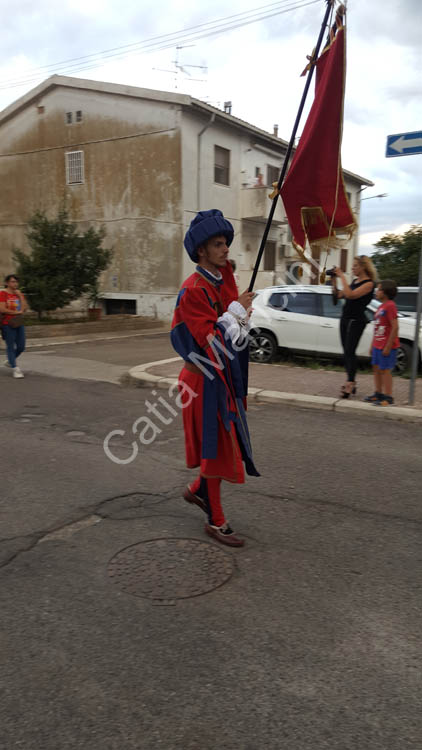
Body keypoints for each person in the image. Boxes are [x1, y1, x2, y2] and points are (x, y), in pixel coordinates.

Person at [171, 209, 259, 547]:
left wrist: (241, 315)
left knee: (222, 446)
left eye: (226, 243)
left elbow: (233, 339)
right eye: (218, 244)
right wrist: (235, 312)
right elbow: (211, 342)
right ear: (202, 251)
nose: (226, 249)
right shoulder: (193, 289)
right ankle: (215, 519)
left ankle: (198, 490)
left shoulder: (223, 280)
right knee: (216, 448)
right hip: (200, 380)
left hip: (219, 378)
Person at [331, 255, 377, 398]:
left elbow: (350, 295)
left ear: (363, 267)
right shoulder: (354, 281)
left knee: (350, 351)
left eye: (355, 266)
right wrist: (334, 280)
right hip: (345, 319)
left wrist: (342, 276)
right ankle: (351, 381)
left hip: (356, 321)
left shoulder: (369, 284)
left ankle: (350, 382)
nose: (352, 268)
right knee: (346, 352)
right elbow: (338, 296)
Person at [364, 279, 399, 407]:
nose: (376, 292)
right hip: (377, 344)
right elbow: (377, 327)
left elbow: (395, 327)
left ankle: (388, 397)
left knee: (385, 370)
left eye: (379, 289)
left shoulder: (390, 306)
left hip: (386, 345)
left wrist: (388, 346)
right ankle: (378, 393)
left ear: (385, 292)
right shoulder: (380, 306)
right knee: (377, 369)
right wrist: (372, 345)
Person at [0, 274, 27, 379]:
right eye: (12, 282)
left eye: (16, 282)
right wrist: (16, 312)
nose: (15, 284)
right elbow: (1, 309)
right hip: (7, 324)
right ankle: (15, 369)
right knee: (10, 347)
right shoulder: (3, 294)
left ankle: (10, 361)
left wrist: (20, 296)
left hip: (19, 323)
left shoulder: (18, 294)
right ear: (7, 283)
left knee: (21, 346)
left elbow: (24, 309)